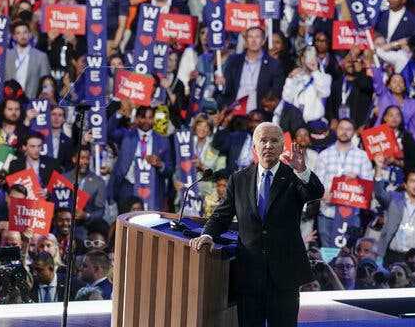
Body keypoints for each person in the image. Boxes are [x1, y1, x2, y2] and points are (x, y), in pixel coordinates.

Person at [190, 122, 324, 327]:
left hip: (284, 276)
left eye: (274, 141)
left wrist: (302, 170)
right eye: (263, 140)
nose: (268, 145)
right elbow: (221, 216)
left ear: (282, 147)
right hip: (249, 275)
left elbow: (316, 192)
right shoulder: (239, 179)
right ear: (254, 147)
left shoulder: (293, 177)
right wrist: (207, 235)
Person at [314, 118, 374, 247]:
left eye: (348, 129)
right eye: (341, 128)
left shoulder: (362, 156)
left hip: (352, 216)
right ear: (336, 130)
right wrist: (324, 195)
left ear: (353, 132)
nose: (344, 132)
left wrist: (357, 180)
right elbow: (316, 184)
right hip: (327, 213)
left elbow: (368, 187)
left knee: (348, 257)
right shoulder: (324, 155)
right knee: (327, 256)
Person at [107, 105, 173, 211]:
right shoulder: (127, 135)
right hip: (128, 187)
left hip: (152, 189)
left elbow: (169, 170)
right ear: (137, 118)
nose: (147, 121)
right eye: (143, 117)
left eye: (150, 117)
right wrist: (119, 113)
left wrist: (160, 164)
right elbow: (108, 133)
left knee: (147, 225)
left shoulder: (163, 140)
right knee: (126, 223)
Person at [373, 158, 415, 266]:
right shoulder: (394, 198)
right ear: (405, 185)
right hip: (393, 255)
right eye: (412, 181)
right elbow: (379, 193)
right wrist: (378, 168)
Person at [217, 27, 284, 113]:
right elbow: (226, 89)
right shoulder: (234, 60)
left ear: (263, 41)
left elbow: (276, 93)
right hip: (234, 114)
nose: (253, 40)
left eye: (257, 37)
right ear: (246, 40)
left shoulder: (274, 65)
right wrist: (222, 84)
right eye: (250, 37)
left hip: (259, 115)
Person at [281, 46, 332, 123]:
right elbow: (286, 98)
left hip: (314, 123)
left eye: (313, 56)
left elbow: (324, 93)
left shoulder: (324, 77)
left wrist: (315, 71)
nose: (310, 59)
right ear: (301, 59)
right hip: (296, 122)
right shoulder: (295, 77)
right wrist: (290, 79)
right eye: (306, 56)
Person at [5, 20, 51, 99]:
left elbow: (46, 83)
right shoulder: (7, 56)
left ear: (30, 34)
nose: (22, 36)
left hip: (32, 101)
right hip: (11, 101)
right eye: (18, 33)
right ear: (14, 37)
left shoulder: (41, 56)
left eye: (25, 32)